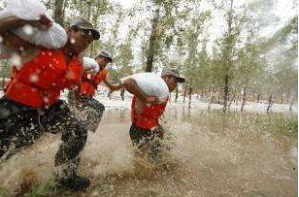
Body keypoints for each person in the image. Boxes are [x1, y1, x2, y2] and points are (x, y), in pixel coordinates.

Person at [0, 16, 100, 191]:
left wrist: (77, 103)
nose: (86, 43)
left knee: (78, 132)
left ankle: (64, 176)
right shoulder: (43, 42)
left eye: (89, 41)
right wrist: (27, 19)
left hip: (49, 107)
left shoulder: (77, 61)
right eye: (84, 36)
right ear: (69, 30)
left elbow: (74, 85)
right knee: (10, 147)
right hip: (17, 103)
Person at [122, 68, 185, 159]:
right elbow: (127, 82)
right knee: (147, 159)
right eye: (174, 80)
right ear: (166, 77)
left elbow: (157, 112)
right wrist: (145, 99)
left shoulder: (164, 92)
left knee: (167, 144)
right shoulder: (154, 84)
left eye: (177, 82)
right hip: (140, 129)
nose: (175, 85)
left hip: (151, 129)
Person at [69, 51, 123, 132]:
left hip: (86, 98)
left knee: (97, 109)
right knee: (98, 107)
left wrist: (123, 85)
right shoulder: (89, 64)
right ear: (98, 58)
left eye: (107, 62)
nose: (105, 63)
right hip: (76, 95)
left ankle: (83, 129)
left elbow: (111, 86)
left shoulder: (103, 72)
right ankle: (80, 128)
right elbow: (74, 72)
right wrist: (87, 71)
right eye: (104, 60)